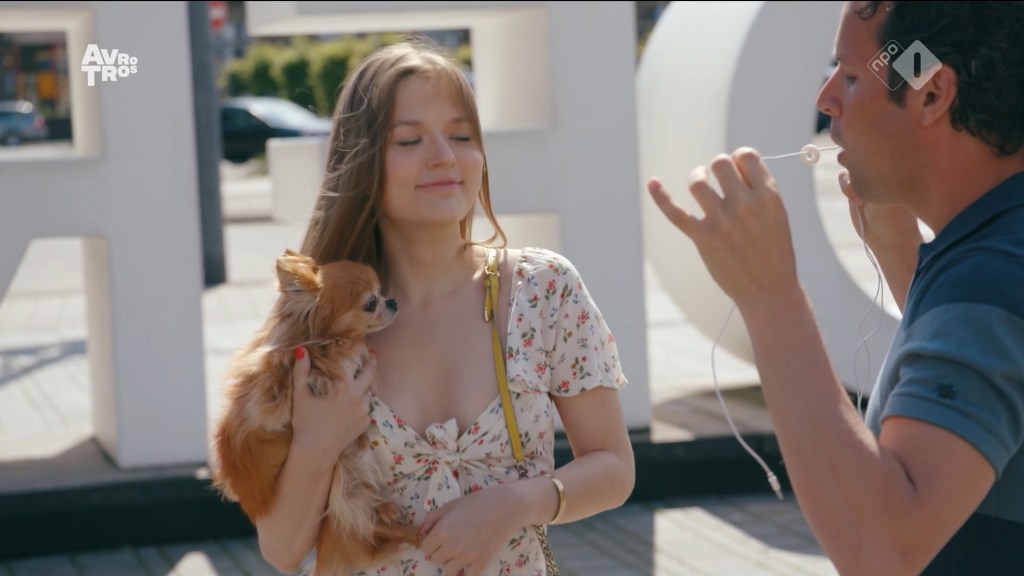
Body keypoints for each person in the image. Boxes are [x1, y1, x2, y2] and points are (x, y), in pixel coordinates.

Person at [647, 2, 1023, 574]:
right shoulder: (996, 250)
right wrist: (902, 256)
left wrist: (771, 298)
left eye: (848, 75)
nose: (826, 100)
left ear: (931, 95)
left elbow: (882, 549)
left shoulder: (991, 275)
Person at [253, 39, 636, 576]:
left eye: (461, 136)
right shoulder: (322, 322)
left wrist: (514, 503)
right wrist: (318, 441)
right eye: (409, 140)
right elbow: (282, 549)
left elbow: (614, 468)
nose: (444, 157)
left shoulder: (543, 290)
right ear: (361, 162)